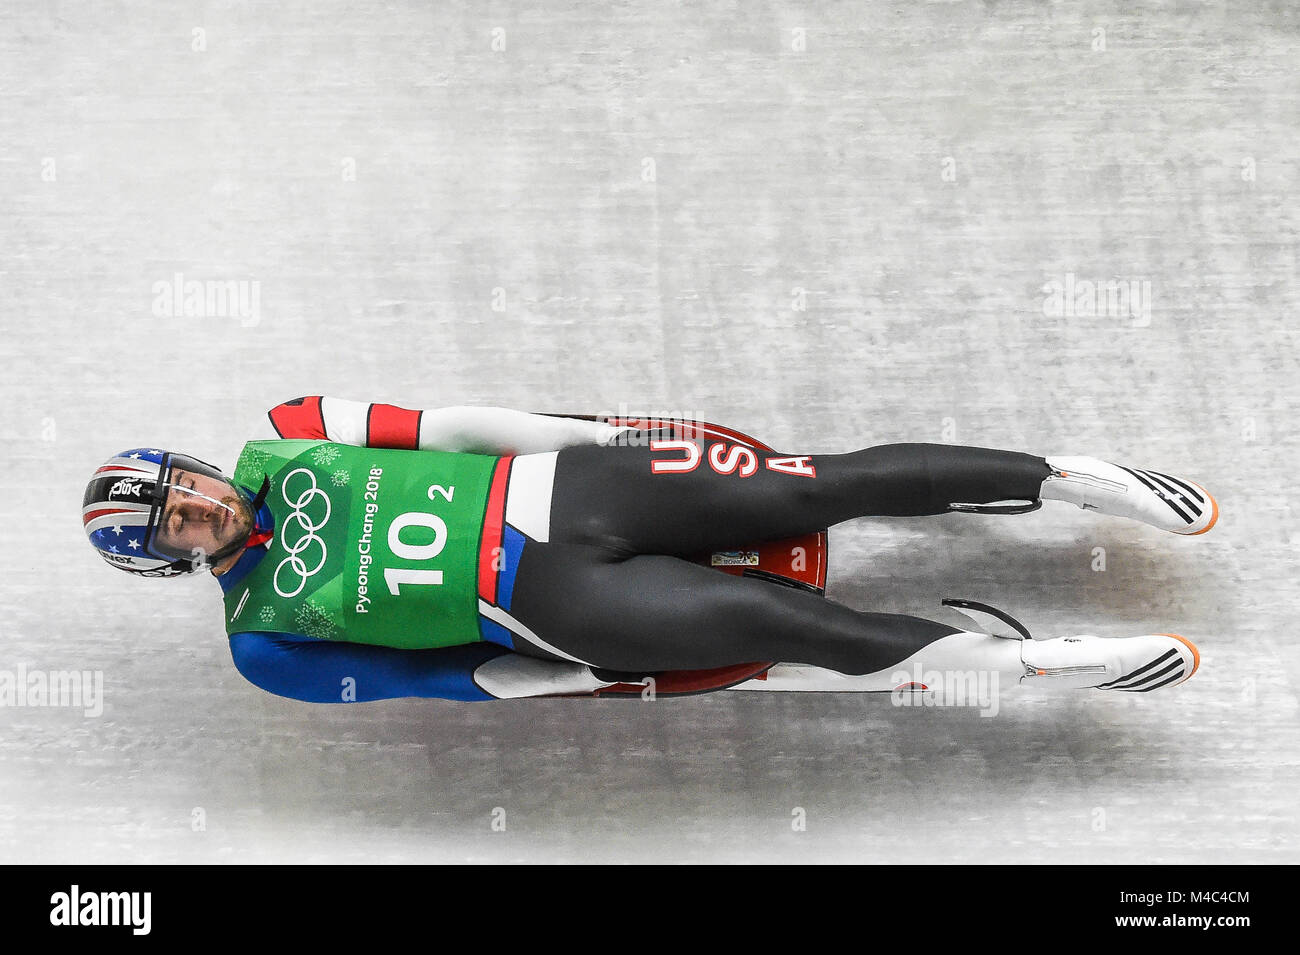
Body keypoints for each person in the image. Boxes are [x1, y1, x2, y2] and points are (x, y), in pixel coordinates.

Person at [82, 396, 1216, 703]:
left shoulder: (290, 428)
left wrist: (592, 435)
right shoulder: (265, 643)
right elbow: (433, 682)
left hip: (563, 481)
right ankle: (1044, 662)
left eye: (187, 483)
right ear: (169, 557)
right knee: (793, 631)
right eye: (178, 521)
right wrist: (560, 683)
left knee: (818, 485)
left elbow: (446, 424)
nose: (202, 504)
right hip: (552, 599)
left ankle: (1067, 480)